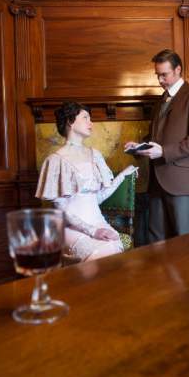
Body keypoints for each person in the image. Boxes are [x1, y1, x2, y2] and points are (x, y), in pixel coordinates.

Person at [36, 101, 138, 262]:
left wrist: (122, 176)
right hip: (70, 227)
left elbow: (96, 198)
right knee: (99, 254)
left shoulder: (95, 155)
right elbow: (60, 208)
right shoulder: (55, 160)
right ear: (70, 121)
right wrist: (92, 231)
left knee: (114, 248)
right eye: (85, 118)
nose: (91, 123)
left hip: (98, 221)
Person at [125, 49, 189, 242]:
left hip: (181, 182)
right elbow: (156, 136)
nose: (160, 80)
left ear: (178, 70)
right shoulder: (161, 100)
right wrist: (138, 146)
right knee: (157, 242)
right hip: (156, 183)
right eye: (158, 75)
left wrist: (163, 151)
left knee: (186, 242)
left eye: (164, 74)